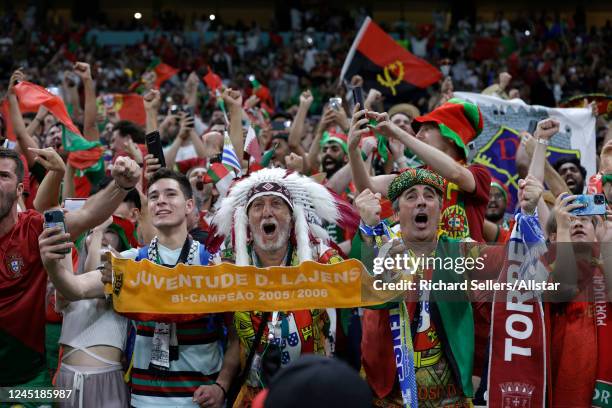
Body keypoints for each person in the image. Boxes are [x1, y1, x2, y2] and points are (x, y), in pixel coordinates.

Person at [39, 168, 240, 408]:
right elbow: (75, 289)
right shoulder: (129, 262)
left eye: (170, 194)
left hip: (201, 400)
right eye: (153, 196)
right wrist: (51, 262)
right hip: (143, 401)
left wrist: (222, 386)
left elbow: (236, 337)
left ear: (189, 206)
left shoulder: (213, 263)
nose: (161, 201)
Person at [0, 147, 141, 392]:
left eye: (3, 176)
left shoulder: (35, 230)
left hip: (27, 380)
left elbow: (86, 215)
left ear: (19, 190)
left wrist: (121, 186)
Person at [212, 167, 344, 405]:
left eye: (277, 204)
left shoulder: (320, 259)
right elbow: (234, 341)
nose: (266, 213)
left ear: (292, 216)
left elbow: (363, 288)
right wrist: (221, 385)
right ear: (247, 219)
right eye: (258, 205)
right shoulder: (227, 266)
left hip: (311, 394)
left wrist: (370, 232)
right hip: (254, 396)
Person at [353, 168, 475, 407]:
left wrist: (528, 213)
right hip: (387, 394)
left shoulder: (462, 252)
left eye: (429, 196)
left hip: (448, 396)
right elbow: (362, 287)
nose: (421, 201)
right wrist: (367, 230)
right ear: (396, 214)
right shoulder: (381, 249)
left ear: (440, 210)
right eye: (411, 196)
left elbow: (515, 275)